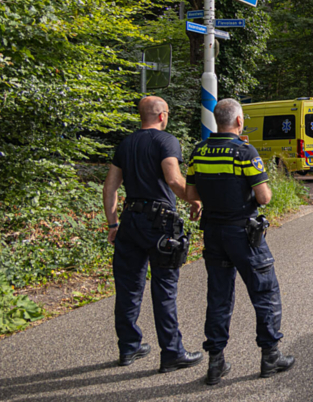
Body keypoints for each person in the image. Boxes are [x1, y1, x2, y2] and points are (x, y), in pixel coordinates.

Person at [186, 99, 294, 385]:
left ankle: (215, 363)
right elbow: (264, 197)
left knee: (219, 297)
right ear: (238, 122)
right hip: (244, 235)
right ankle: (270, 356)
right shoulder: (244, 152)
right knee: (265, 292)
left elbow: (191, 192)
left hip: (213, 233)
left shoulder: (199, 152)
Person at [103, 96, 203, 372]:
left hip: (129, 221)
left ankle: (128, 348)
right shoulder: (166, 141)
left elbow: (110, 187)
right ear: (162, 116)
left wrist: (113, 224)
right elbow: (173, 179)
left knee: (128, 287)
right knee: (164, 289)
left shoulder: (125, 143)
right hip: (159, 224)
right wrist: (193, 198)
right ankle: (172, 352)